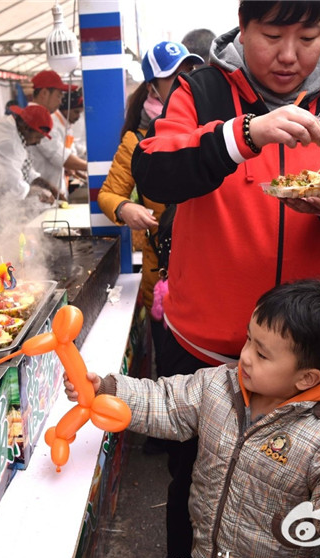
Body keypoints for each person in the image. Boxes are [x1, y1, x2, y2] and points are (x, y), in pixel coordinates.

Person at [129, 2, 320, 558]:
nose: (290, 55)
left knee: (299, 502)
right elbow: (155, 169)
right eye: (272, 35)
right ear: (243, 28)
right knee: (193, 485)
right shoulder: (203, 90)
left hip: (310, 366)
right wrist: (242, 137)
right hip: (209, 352)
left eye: (309, 36)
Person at [65, 280, 320, 558]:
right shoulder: (219, 385)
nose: (246, 356)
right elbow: (166, 402)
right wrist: (104, 391)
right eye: (249, 340)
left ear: (307, 378)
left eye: (262, 354)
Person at [98, 41, 204, 368]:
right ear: (152, 88)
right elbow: (108, 194)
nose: (185, 80)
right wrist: (126, 209)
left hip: (206, 271)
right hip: (164, 273)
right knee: (171, 369)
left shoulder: (209, 127)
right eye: (174, 76)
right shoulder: (137, 140)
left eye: (189, 72)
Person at [0, 104, 60, 218]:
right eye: (37, 137)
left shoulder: (18, 134)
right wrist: (39, 192)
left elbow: (28, 172)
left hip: (0, 202)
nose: (38, 143)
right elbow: (14, 185)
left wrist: (51, 188)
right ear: (26, 128)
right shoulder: (9, 143)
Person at [27, 70, 87, 199]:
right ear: (44, 93)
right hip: (40, 194)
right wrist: (93, 168)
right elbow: (61, 157)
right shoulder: (36, 120)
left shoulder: (43, 118)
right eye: (58, 96)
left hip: (47, 190)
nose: (60, 102)